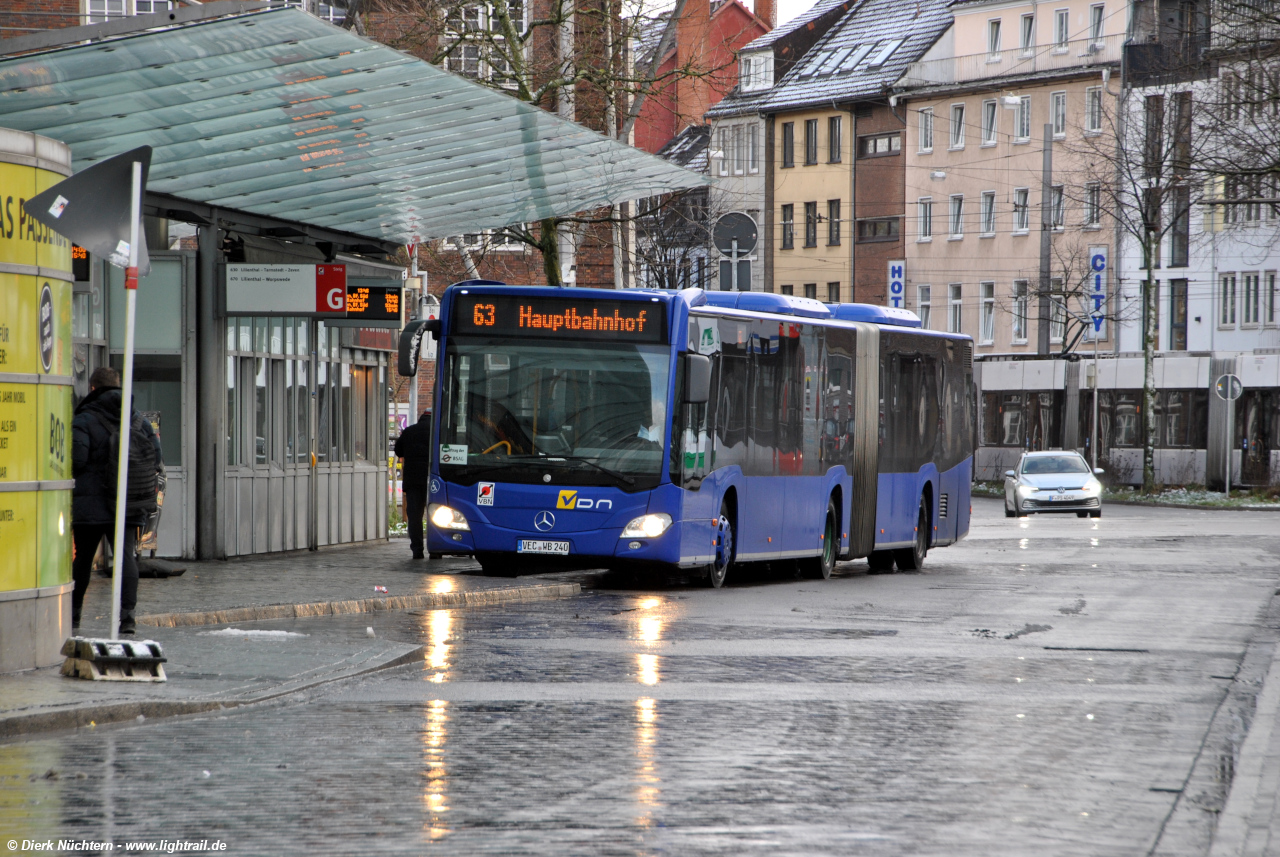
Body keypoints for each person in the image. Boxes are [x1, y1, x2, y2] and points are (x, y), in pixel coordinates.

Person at [71, 367, 162, 634]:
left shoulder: (84, 418)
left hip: (91, 504)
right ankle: (128, 618)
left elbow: (76, 460)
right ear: (118, 387)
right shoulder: (137, 420)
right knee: (126, 558)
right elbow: (155, 458)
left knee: (84, 559)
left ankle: (74, 614)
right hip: (128, 501)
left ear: (92, 389)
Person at [394, 411, 432, 560]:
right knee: (436, 514)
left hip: (413, 480)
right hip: (433, 480)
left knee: (414, 516)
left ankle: (417, 549)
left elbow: (398, 450)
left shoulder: (409, 431)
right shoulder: (438, 432)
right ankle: (436, 551)